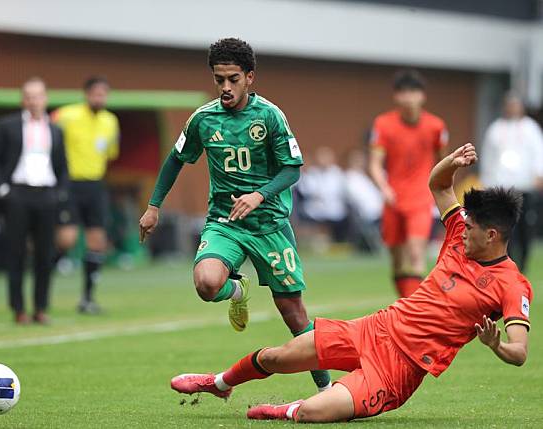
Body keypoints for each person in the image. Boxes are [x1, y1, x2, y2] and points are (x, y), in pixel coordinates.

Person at [171, 143, 532, 423]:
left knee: (314, 413)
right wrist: (452, 162)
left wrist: (495, 343)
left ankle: (287, 410)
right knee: (279, 355)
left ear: (493, 235)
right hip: (376, 328)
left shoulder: (512, 286)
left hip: (400, 369)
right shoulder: (458, 235)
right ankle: (219, 384)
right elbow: (438, 184)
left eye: (471, 228)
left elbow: (519, 353)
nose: (462, 229)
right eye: (464, 224)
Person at [139, 38, 331, 392]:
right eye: (219, 80)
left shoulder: (270, 116)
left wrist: (259, 195)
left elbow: (291, 171)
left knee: (294, 315)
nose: (225, 87)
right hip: (225, 223)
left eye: (233, 79)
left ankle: (325, 390)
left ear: (250, 77)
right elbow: (175, 160)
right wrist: (154, 207)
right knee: (206, 283)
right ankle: (236, 290)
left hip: (269, 225)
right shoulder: (203, 118)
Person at [0, 77, 68, 324]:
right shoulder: (7, 125)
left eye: (38, 95)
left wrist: (59, 194)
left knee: (45, 254)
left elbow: (63, 166)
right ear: (23, 100)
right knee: (16, 253)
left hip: (46, 195)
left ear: (46, 98)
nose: (34, 101)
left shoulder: (55, 129)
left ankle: (41, 308)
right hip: (17, 194)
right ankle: (19, 309)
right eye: (29, 96)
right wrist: (2, 189)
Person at [369, 69, 449, 298]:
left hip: (421, 199)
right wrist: (384, 188)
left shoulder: (436, 126)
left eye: (413, 92)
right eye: (403, 93)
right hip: (393, 199)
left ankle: (413, 313)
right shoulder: (383, 124)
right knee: (397, 261)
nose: (408, 98)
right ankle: (406, 303)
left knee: (415, 254)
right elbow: (375, 164)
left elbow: (443, 162)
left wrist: (443, 191)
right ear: (396, 96)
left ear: (422, 96)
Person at [53, 76, 120, 314]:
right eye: (96, 94)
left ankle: (88, 298)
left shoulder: (110, 121)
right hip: (70, 184)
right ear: (86, 94)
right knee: (67, 239)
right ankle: (44, 288)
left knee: (97, 242)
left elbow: (110, 153)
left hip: (95, 186)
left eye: (104, 94)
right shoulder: (66, 116)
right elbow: (47, 137)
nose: (100, 98)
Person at [480, 92, 543, 272]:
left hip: (524, 185)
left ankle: (522, 264)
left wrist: (539, 173)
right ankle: (507, 263)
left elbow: (538, 152)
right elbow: (488, 156)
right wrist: (487, 181)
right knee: (506, 229)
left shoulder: (531, 129)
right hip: (502, 186)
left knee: (525, 228)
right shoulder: (496, 129)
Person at [296, 147, 349, 243]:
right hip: (315, 208)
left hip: (334, 208)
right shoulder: (312, 173)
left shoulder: (337, 174)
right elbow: (306, 190)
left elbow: (341, 192)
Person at [344, 149, 383, 252]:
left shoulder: (363, 177)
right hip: (368, 213)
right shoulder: (350, 178)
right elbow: (355, 199)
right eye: (357, 159)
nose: (361, 162)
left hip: (379, 209)